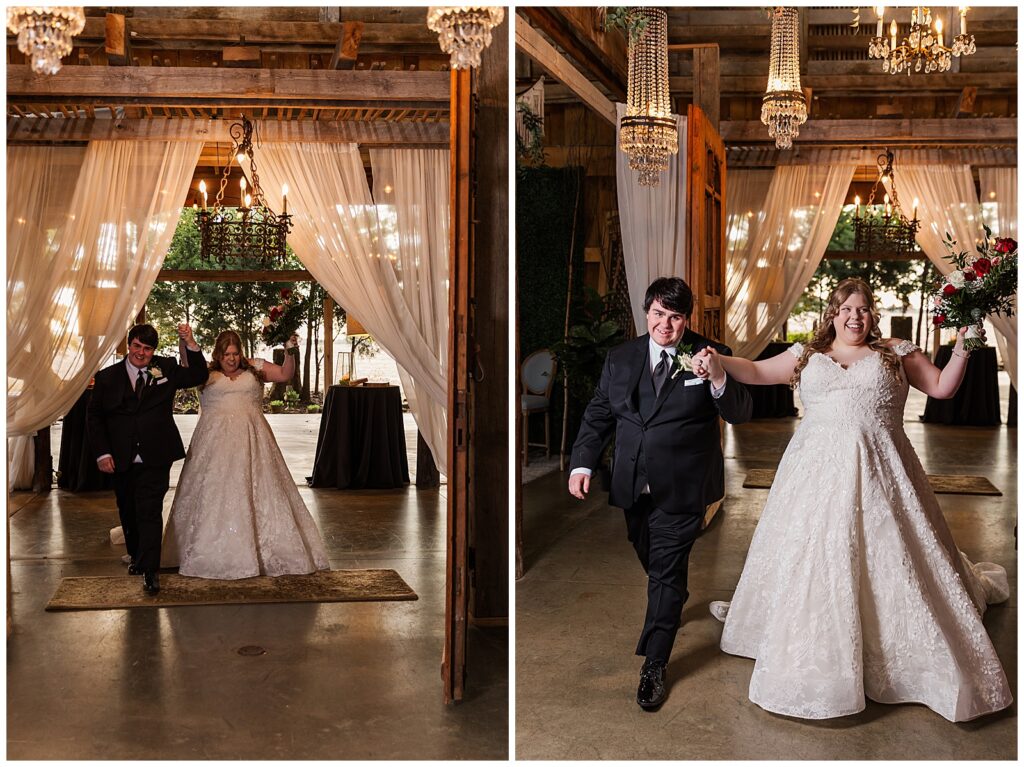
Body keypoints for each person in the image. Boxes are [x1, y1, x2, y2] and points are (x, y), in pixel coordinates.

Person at [694, 277, 1012, 722]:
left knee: (889, 558)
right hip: (814, 475)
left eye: (862, 309)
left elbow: (942, 389)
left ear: (872, 314)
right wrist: (717, 359)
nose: (854, 317)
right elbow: (756, 371)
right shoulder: (808, 354)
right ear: (833, 313)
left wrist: (963, 342)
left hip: (883, 473)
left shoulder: (894, 352)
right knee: (815, 556)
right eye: (846, 309)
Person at [567, 277, 753, 710]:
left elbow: (740, 412)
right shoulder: (621, 357)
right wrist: (582, 463)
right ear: (646, 311)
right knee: (651, 559)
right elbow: (599, 413)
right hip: (633, 483)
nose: (664, 326)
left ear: (686, 319)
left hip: (685, 485)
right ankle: (671, 597)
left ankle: (654, 663)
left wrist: (719, 377)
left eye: (674, 317)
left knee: (666, 575)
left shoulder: (710, 353)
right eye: (657, 315)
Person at [162, 330, 330, 580]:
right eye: (226, 354)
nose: (231, 359)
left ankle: (264, 550)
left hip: (253, 441)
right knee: (213, 494)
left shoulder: (255, 368)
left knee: (259, 491)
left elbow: (285, 374)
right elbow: (186, 360)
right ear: (218, 354)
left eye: (235, 353)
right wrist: (186, 340)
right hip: (213, 444)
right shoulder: (203, 372)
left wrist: (290, 350)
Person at [87, 323, 209, 595]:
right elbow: (94, 418)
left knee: (150, 511)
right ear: (129, 345)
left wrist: (190, 341)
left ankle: (150, 570)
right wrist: (102, 453)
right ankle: (138, 557)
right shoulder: (107, 378)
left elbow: (200, 374)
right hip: (120, 457)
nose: (141, 353)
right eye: (137, 346)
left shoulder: (165, 368)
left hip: (156, 453)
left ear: (154, 350)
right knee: (128, 511)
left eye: (148, 348)